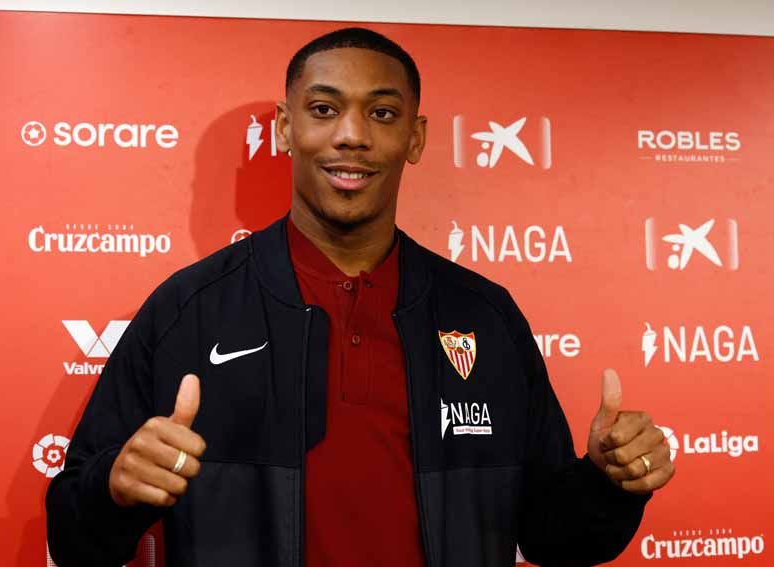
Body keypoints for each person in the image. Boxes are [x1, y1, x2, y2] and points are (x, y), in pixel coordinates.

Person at [46, 27, 674, 567]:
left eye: (381, 113)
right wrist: (114, 487)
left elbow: (551, 538)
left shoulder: (485, 315)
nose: (351, 136)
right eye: (323, 110)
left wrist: (607, 483)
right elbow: (72, 538)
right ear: (286, 130)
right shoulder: (187, 309)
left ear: (417, 137)